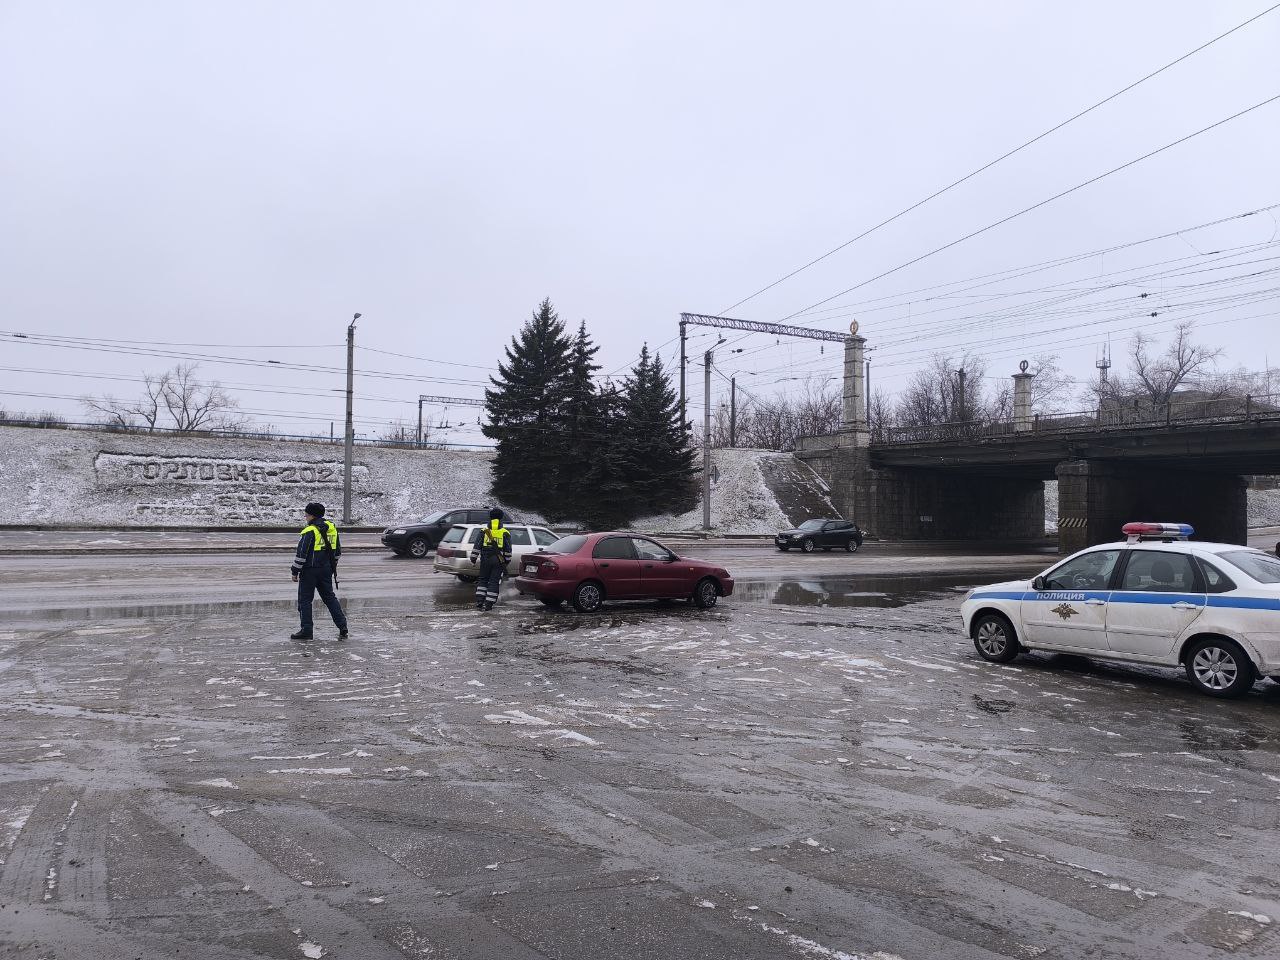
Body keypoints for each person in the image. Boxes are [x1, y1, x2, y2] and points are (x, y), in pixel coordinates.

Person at [290, 502, 349, 640]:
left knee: (305, 601)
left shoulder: (309, 531)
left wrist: (294, 571)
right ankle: (343, 627)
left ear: (312, 515)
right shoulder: (332, 528)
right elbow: (337, 552)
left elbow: (301, 555)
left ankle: (306, 630)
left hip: (309, 571)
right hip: (326, 570)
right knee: (330, 598)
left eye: (307, 514)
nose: (305, 516)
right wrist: (331, 566)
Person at [470, 508, 512, 612]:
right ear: (501, 518)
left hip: (485, 558)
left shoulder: (484, 531)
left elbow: (477, 546)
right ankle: (489, 604)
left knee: (483, 580)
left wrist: (473, 558)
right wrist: (506, 561)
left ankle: (480, 601)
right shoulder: (505, 532)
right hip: (498, 560)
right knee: (494, 582)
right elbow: (508, 550)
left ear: (490, 517)